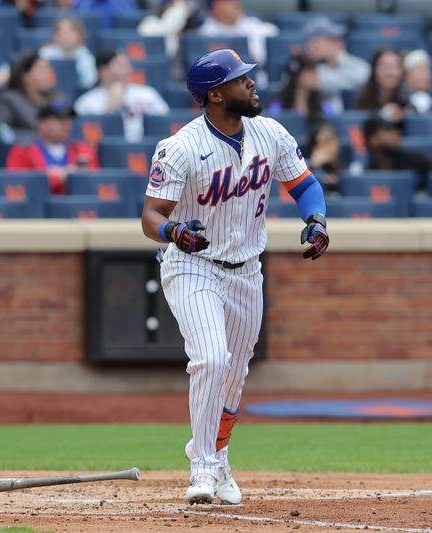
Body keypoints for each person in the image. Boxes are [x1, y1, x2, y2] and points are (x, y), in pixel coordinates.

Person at [141, 49, 329, 505]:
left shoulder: (270, 132)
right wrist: (174, 231)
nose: (252, 84)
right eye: (241, 80)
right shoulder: (180, 147)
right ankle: (202, 467)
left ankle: (218, 456)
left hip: (247, 270)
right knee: (211, 358)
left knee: (234, 375)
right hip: (192, 266)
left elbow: (304, 185)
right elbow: (150, 216)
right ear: (216, 94)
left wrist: (317, 220)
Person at [74, 49, 169, 142]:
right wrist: (111, 106)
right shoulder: (87, 102)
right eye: (120, 65)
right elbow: (84, 138)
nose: (128, 69)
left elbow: (166, 123)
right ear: (103, 71)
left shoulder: (148, 94)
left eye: (127, 65)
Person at [6, 101, 100, 195]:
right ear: (42, 124)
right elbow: (18, 187)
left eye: (68, 119)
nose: (66, 124)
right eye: (60, 119)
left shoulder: (83, 150)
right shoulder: (22, 151)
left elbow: (93, 184)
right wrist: (59, 178)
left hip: (74, 206)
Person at [0, 51, 62, 144]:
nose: (47, 75)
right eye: (41, 71)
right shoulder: (8, 100)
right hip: (25, 152)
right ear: (25, 76)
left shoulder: (56, 97)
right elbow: (0, 128)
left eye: (48, 70)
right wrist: (38, 140)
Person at [303, 16, 369, 113]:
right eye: (331, 40)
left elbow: (366, 75)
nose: (339, 44)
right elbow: (318, 83)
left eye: (338, 40)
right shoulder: (300, 67)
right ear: (314, 44)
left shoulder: (350, 62)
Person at [363, 115, 432, 192]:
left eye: (396, 130)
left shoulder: (416, 162)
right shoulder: (367, 174)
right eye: (388, 131)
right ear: (372, 139)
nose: (396, 135)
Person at [198, 0, 278, 66]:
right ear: (216, 7)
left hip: (253, 78)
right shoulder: (204, 32)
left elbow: (260, 59)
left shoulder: (253, 25)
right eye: (229, 2)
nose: (236, 4)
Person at [266, 53, 337, 125]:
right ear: (297, 77)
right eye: (311, 72)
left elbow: (334, 121)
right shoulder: (279, 102)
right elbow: (271, 124)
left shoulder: (321, 102)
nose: (316, 76)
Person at [39, 17, 98, 91]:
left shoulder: (86, 56)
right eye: (61, 31)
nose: (65, 35)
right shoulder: (45, 53)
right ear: (54, 35)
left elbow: (89, 82)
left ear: (79, 35)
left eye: (70, 31)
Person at [354, 48, 407, 122]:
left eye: (394, 66)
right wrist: (381, 115)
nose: (389, 72)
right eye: (384, 66)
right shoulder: (362, 100)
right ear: (374, 70)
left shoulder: (408, 98)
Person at [306, 122, 341, 195]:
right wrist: (313, 166)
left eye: (334, 139)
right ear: (314, 147)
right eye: (327, 141)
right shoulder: (303, 171)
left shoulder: (353, 169)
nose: (334, 145)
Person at [402, 49, 432, 114]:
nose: (424, 76)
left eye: (426, 71)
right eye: (419, 72)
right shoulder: (400, 98)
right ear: (407, 75)